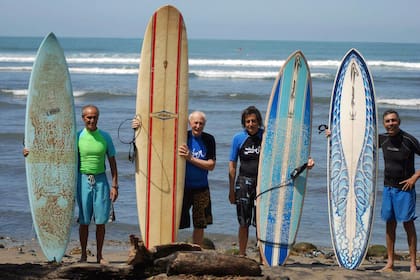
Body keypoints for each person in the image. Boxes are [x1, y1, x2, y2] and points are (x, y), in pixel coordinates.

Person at [25, 104, 119, 264]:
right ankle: (83, 255)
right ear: (83, 118)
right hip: (82, 180)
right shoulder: (76, 137)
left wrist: (115, 185)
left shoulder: (105, 137)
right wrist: (31, 151)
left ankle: (99, 255)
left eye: (95, 116)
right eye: (89, 117)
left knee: (101, 221)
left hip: (101, 181)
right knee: (84, 221)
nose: (92, 120)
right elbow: (57, 154)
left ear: (98, 117)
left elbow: (112, 163)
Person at [228, 106, 314, 256]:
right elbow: (232, 165)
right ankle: (242, 253)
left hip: (264, 183)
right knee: (244, 223)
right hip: (243, 183)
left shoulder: (267, 137)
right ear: (244, 123)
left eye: (254, 121)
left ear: (259, 122)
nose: (251, 124)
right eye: (247, 121)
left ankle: (263, 255)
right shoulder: (238, 138)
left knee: (262, 222)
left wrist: (305, 162)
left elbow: (285, 155)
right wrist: (231, 191)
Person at [132, 111, 216, 247]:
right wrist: (139, 127)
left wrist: (190, 158)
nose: (198, 126)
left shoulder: (209, 139)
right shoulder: (182, 137)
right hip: (181, 188)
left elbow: (211, 165)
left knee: (200, 224)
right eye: (195, 123)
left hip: (201, 188)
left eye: (201, 123)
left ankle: (197, 252)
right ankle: (172, 248)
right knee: (175, 222)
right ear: (190, 123)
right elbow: (158, 137)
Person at [378, 110, 420, 273]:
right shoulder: (382, 139)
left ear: (399, 122)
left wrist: (415, 177)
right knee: (390, 224)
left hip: (405, 190)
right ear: (384, 124)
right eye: (387, 121)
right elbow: (356, 141)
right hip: (388, 188)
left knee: (408, 224)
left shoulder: (408, 140)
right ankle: (390, 262)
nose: (391, 124)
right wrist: (332, 135)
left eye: (393, 120)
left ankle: (412, 264)